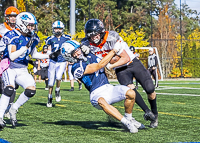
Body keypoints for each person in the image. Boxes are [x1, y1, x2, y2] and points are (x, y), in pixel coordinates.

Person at [81, 19, 158, 128]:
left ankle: (155, 113)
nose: (93, 38)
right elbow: (77, 49)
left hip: (132, 63)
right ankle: (147, 111)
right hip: (120, 69)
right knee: (130, 89)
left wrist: (110, 66)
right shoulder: (87, 43)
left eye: (96, 35)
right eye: (91, 36)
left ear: (101, 32)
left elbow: (125, 58)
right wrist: (82, 49)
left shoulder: (112, 38)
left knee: (150, 90)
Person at [61, 40, 145, 133]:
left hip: (108, 87)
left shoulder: (89, 54)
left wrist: (91, 52)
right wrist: (114, 50)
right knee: (101, 101)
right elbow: (99, 65)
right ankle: (126, 123)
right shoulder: (76, 68)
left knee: (131, 93)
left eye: (78, 49)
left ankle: (129, 118)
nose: (78, 52)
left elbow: (105, 58)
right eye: (74, 52)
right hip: (96, 93)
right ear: (69, 56)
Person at [0, 12, 58, 129]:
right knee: (9, 88)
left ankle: (14, 108)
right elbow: (12, 56)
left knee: (31, 90)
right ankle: (0, 116)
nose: (32, 28)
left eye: (33, 25)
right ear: (21, 24)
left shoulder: (32, 37)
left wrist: (50, 55)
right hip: (10, 67)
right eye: (29, 25)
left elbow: (34, 54)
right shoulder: (12, 35)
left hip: (22, 68)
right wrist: (25, 47)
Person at [45, 20, 71, 107]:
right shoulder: (50, 39)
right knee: (51, 82)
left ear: (62, 29)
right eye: (56, 28)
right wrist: (50, 54)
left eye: (59, 28)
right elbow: (48, 50)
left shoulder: (67, 38)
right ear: (53, 29)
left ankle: (57, 90)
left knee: (59, 77)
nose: (58, 30)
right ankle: (49, 97)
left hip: (62, 61)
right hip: (53, 61)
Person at [0, 6, 20, 119]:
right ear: (7, 17)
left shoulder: (20, 28)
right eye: (11, 16)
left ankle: (8, 107)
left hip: (14, 60)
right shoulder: (1, 28)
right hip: (2, 59)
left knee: (13, 85)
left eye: (15, 16)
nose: (13, 18)